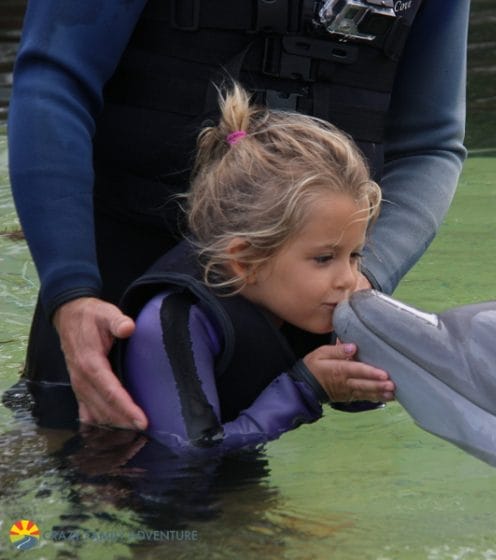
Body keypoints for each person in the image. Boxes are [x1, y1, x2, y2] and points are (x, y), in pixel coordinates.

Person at [7, 0, 468, 429]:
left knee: (230, 491)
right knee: (89, 468)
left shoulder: (340, 278)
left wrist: (366, 275)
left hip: (299, 285)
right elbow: (55, 79)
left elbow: (429, 144)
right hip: (114, 286)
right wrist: (72, 293)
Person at [119, 83, 393, 449]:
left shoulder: (301, 300)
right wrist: (305, 389)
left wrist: (366, 369)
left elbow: (357, 398)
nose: (348, 279)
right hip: (127, 484)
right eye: (325, 258)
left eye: (354, 255)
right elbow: (186, 459)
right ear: (245, 261)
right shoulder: (172, 321)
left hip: (233, 473)